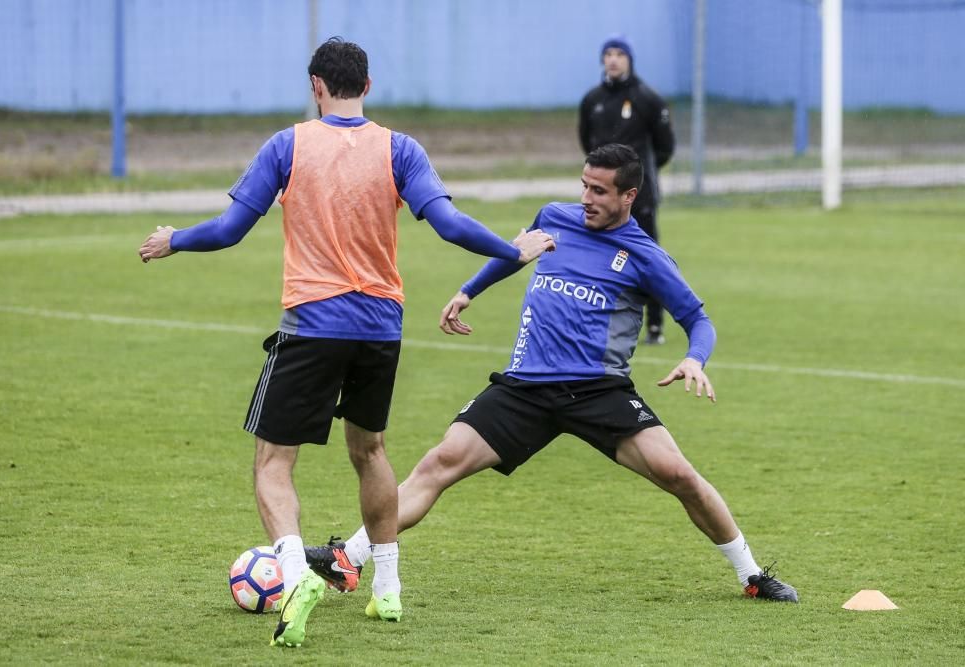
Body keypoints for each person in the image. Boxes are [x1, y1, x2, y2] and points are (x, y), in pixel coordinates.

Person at [137, 37, 555, 648]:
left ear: (315, 86)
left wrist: (175, 238)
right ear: (369, 85)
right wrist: (511, 250)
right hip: (380, 328)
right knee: (371, 452)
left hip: (313, 324)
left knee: (273, 464)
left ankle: (290, 572)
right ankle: (387, 590)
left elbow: (229, 231)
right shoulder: (400, 148)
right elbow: (449, 224)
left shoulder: (288, 144)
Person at [303, 144, 798, 606]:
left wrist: (696, 358)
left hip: (598, 390)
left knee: (678, 474)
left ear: (629, 196)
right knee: (439, 462)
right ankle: (350, 557)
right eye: (584, 185)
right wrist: (469, 290)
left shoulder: (646, 256)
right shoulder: (555, 217)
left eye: (599, 191)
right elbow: (517, 252)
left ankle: (752, 575)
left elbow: (698, 320)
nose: (586, 198)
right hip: (525, 388)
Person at [578, 34, 675, 345]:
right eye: (608, 53)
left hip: (639, 199)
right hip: (600, 200)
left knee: (648, 258)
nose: (614, 59)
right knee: (595, 259)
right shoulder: (592, 100)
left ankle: (655, 326)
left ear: (629, 60)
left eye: (620, 53)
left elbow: (664, 147)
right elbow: (586, 142)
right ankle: (593, 323)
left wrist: (635, 180)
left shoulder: (647, 98)